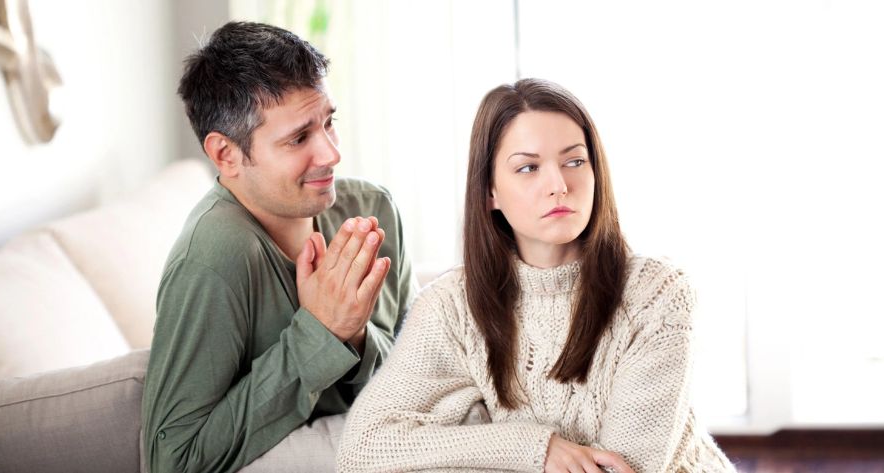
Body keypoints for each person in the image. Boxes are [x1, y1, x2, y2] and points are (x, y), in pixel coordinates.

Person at [337, 78, 736, 473]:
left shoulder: (656, 293)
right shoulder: (451, 305)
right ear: (489, 191)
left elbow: (624, 468)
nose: (559, 186)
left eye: (575, 161)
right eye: (528, 167)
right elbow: (363, 448)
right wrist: (534, 448)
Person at [141, 22, 415, 473]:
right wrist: (321, 332)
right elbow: (174, 461)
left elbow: (423, 371)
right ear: (226, 154)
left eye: (329, 122)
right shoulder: (213, 260)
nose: (331, 154)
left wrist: (355, 335)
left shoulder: (372, 209)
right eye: (299, 138)